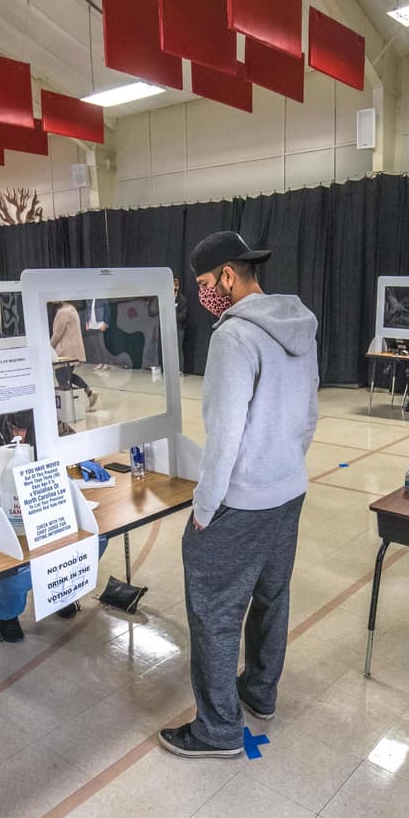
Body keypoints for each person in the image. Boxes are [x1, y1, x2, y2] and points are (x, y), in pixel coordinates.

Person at [159, 231, 319, 759]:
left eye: (205, 284)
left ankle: (217, 729)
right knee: (272, 597)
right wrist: (289, 468)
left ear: (228, 276)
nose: (203, 294)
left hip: (244, 499)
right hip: (289, 490)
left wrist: (204, 510)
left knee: (214, 609)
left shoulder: (233, 338)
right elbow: (309, 415)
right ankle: (259, 692)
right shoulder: (299, 325)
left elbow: (224, 435)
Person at [50, 301, 97, 411]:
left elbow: (57, 334)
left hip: (65, 351)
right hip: (74, 350)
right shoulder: (71, 308)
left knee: (62, 379)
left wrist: (48, 348)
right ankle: (89, 392)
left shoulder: (62, 312)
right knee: (68, 377)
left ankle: (71, 407)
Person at [174, 278, 188, 375]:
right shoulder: (166, 298)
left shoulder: (182, 299)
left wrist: (172, 312)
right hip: (168, 328)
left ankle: (180, 370)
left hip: (179, 328)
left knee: (178, 349)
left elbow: (183, 316)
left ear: (177, 287)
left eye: (174, 286)